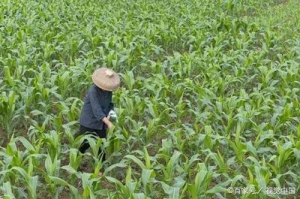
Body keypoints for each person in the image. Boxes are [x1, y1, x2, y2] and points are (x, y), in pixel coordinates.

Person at [75, 67, 120, 177]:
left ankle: (99, 169)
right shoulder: (93, 91)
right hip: (89, 122)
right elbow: (96, 110)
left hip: (101, 123)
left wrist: (111, 113)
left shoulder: (108, 92)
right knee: (84, 144)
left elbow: (109, 105)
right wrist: (108, 123)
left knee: (102, 145)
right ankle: (75, 164)